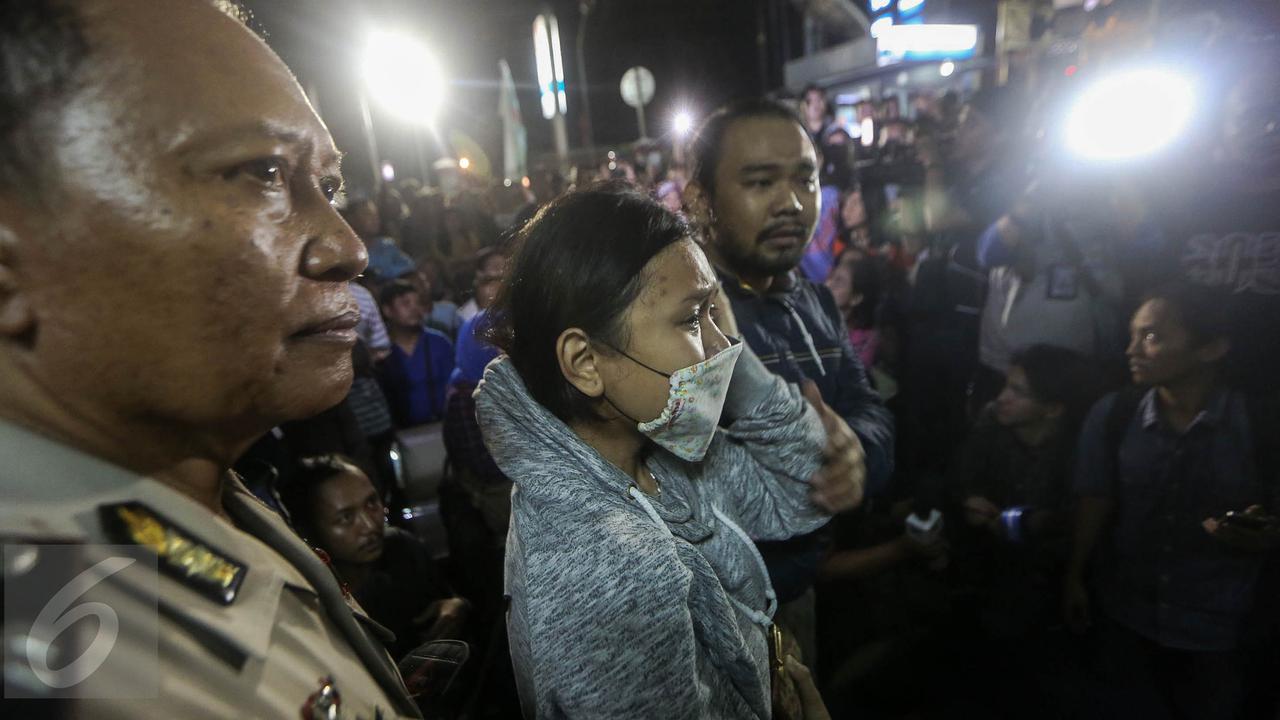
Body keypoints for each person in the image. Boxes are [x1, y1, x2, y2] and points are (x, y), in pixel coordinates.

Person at [0, 1, 420, 717]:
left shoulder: (196, 480)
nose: (346, 248)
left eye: (330, 187)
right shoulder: (56, 653)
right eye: (260, 172)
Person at [476, 184, 856, 718]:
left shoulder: (658, 454)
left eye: (713, 311)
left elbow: (803, 490)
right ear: (585, 362)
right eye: (690, 319)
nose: (724, 344)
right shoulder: (611, 571)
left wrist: (732, 364)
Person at [683, 98, 895, 663]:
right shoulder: (677, 319)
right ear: (700, 199)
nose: (791, 203)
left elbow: (869, 409)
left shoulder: (817, 299)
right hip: (714, 614)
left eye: (806, 179)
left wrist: (858, 456)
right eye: (759, 182)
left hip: (803, 593)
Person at [1064, 284, 1280, 720]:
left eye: (1152, 336)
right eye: (1133, 334)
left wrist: (1264, 536)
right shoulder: (1113, 415)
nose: (1131, 349)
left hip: (1221, 630)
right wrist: (1074, 576)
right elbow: (1096, 498)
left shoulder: (1260, 424)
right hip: (1127, 615)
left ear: (1212, 348)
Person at [280, 455, 469, 661]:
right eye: (346, 518)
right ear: (309, 530)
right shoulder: (314, 601)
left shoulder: (401, 546)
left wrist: (458, 607)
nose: (370, 526)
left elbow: (449, 598)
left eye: (371, 503)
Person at [378, 280, 455, 427]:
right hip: (400, 433)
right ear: (387, 310)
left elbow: (455, 389)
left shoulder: (439, 343)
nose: (414, 309)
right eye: (406, 303)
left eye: (418, 303)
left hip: (443, 427)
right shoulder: (381, 350)